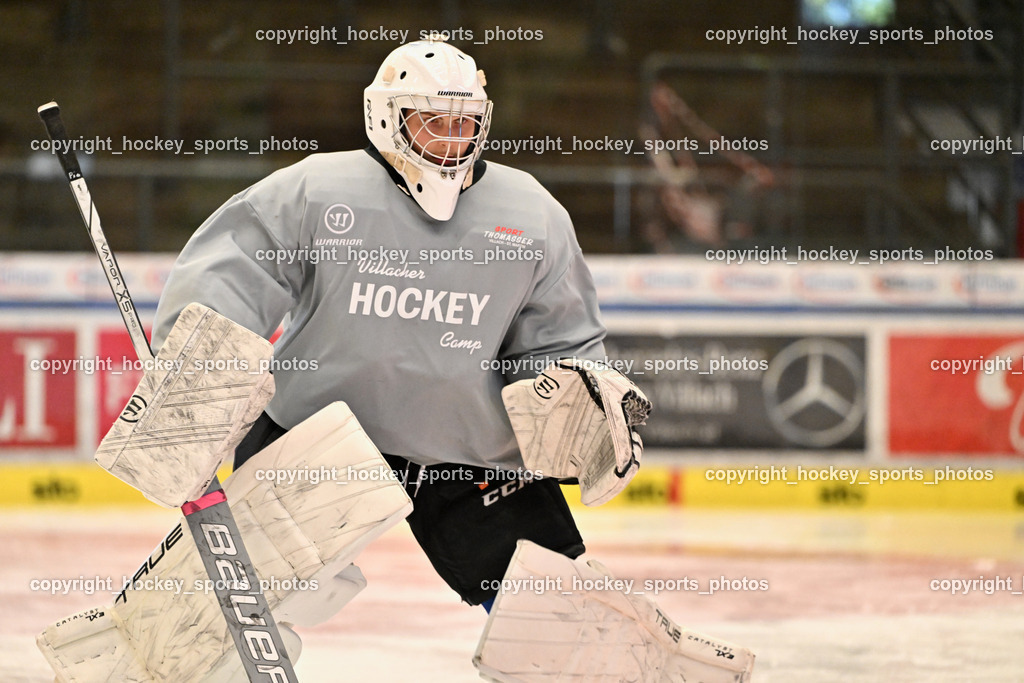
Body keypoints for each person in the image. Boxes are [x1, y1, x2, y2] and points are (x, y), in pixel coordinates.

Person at [40, 35, 754, 682]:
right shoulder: (321, 190)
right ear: (388, 119)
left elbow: (559, 339)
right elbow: (234, 268)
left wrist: (575, 398)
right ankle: (137, 661)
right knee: (209, 611)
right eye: (430, 121)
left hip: (473, 455)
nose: (450, 139)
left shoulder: (531, 214)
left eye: (464, 122)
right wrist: (199, 362)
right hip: (315, 435)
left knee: (564, 623)